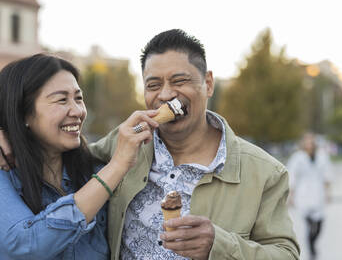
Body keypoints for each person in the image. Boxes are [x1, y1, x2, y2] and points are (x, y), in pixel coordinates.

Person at [1, 29, 300, 259]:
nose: (166, 94)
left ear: (208, 83)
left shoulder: (264, 173)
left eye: (180, 80)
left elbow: (286, 254)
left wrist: (218, 245)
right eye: (154, 85)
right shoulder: (123, 145)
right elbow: (62, 156)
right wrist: (8, 135)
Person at [0, 54, 158, 259]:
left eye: (78, 98)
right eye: (61, 99)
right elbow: (25, 245)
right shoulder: (6, 174)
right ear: (24, 113)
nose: (77, 111)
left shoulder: (94, 170)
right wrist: (117, 166)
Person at [287, 132, 332, 260]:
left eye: (311, 141)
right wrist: (291, 196)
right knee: (309, 224)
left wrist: (328, 193)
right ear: (303, 143)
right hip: (304, 194)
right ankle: (312, 251)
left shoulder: (322, 156)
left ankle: (313, 243)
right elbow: (292, 177)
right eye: (307, 141)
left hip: (318, 193)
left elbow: (327, 175)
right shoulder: (297, 157)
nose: (310, 144)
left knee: (319, 225)